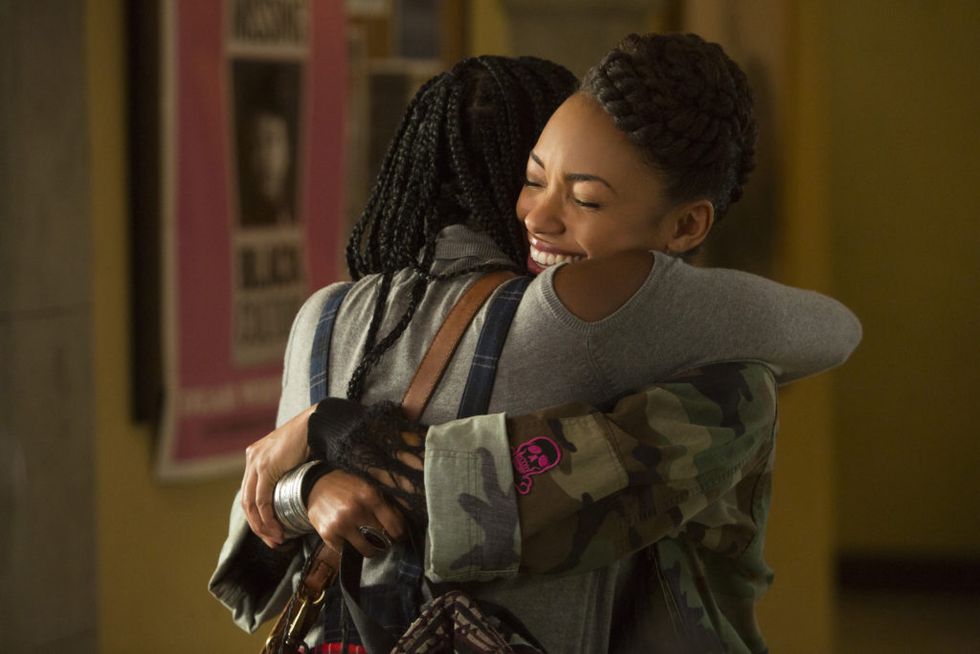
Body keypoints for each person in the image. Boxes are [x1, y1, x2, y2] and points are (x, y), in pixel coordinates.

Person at [212, 38, 860, 653]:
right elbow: (830, 331)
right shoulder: (574, 316)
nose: (538, 215)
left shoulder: (322, 315)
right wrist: (330, 448)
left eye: (587, 198)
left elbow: (260, 537)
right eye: (532, 177)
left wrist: (318, 463)